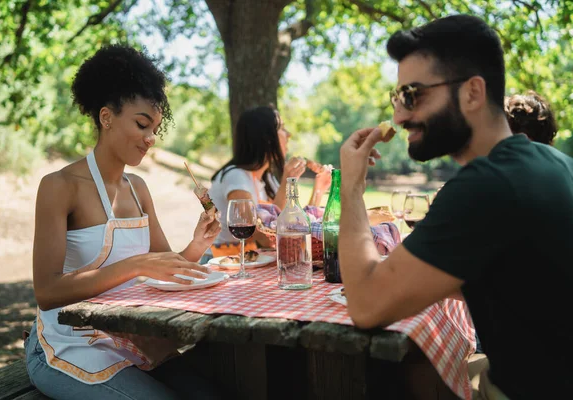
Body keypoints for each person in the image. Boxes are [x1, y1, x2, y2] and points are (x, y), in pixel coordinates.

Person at [338, 15, 572, 400]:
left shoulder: (486, 185)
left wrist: (352, 185)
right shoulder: (553, 164)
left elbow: (365, 305)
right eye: (396, 98)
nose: (399, 115)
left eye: (413, 95)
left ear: (472, 93)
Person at [26, 45, 222, 399]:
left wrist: (197, 246)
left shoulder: (138, 189)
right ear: (106, 117)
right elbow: (47, 292)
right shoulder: (60, 186)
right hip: (68, 344)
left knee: (215, 391)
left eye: (155, 129)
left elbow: (168, 269)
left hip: (128, 339)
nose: (150, 139)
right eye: (142, 124)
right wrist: (134, 265)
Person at [207, 106, 331, 257]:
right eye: (282, 128)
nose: (289, 134)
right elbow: (264, 238)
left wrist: (319, 189)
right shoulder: (236, 177)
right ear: (266, 137)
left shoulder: (268, 179)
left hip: (255, 260)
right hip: (224, 262)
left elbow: (291, 224)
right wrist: (287, 181)